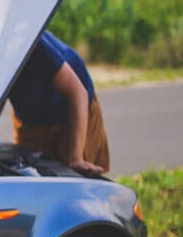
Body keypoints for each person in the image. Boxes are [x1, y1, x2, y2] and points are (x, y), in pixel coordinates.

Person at [7, 30, 110, 174]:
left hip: (72, 108)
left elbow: (78, 93)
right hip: (31, 117)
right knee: (30, 174)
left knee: (78, 176)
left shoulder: (31, 43)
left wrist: (76, 158)